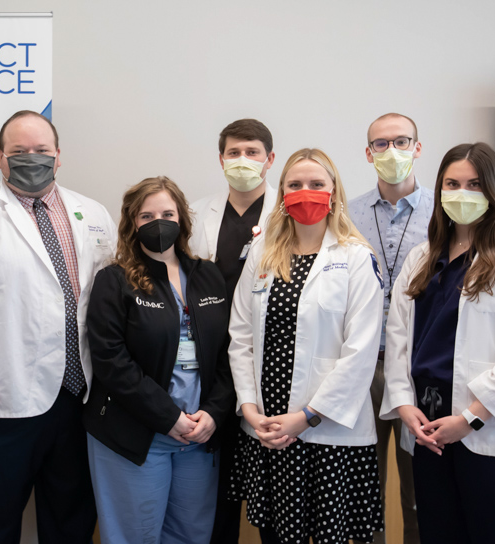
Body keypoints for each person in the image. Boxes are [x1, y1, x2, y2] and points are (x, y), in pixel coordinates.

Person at [0, 110, 116, 544]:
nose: (32, 158)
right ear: (0, 157)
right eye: (19, 152)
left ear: (59, 155)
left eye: (42, 151)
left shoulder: (93, 213)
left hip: (78, 397)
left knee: (71, 521)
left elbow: (109, 299)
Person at [381, 142, 495, 544]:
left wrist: (471, 418)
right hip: (429, 432)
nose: (462, 193)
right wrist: (406, 406)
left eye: (474, 184)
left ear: (493, 191)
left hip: (489, 434)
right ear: (439, 191)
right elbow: (399, 339)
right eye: (452, 183)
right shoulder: (422, 258)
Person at [228, 148, 385, 544]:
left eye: (317, 184)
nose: (305, 192)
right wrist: (249, 408)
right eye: (294, 185)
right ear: (281, 194)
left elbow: (361, 351)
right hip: (269, 427)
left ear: (334, 192)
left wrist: (308, 416)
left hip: (327, 431)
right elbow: (241, 334)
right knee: (276, 536)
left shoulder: (356, 257)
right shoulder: (263, 252)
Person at [83, 176, 235, 544]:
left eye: (167, 213)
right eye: (146, 216)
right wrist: (168, 417)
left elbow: (231, 352)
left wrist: (213, 413)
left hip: (199, 435)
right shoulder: (114, 280)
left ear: (182, 218)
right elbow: (111, 361)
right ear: (132, 223)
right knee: (135, 537)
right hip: (136, 434)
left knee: (191, 536)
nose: (158, 222)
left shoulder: (207, 275)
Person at [348, 112, 433, 544]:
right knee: (364, 489)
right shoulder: (347, 214)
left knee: (419, 491)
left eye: (402, 141)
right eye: (381, 144)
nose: (391, 151)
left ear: (418, 148)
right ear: (368, 153)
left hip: (419, 370)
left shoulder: (445, 212)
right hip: (362, 368)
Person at [191, 118, 276, 544]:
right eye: (234, 153)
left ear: (270, 159)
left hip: (269, 360)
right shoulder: (196, 213)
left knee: (271, 489)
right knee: (217, 486)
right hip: (210, 363)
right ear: (221, 159)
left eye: (253, 152)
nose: (243, 161)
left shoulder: (287, 213)